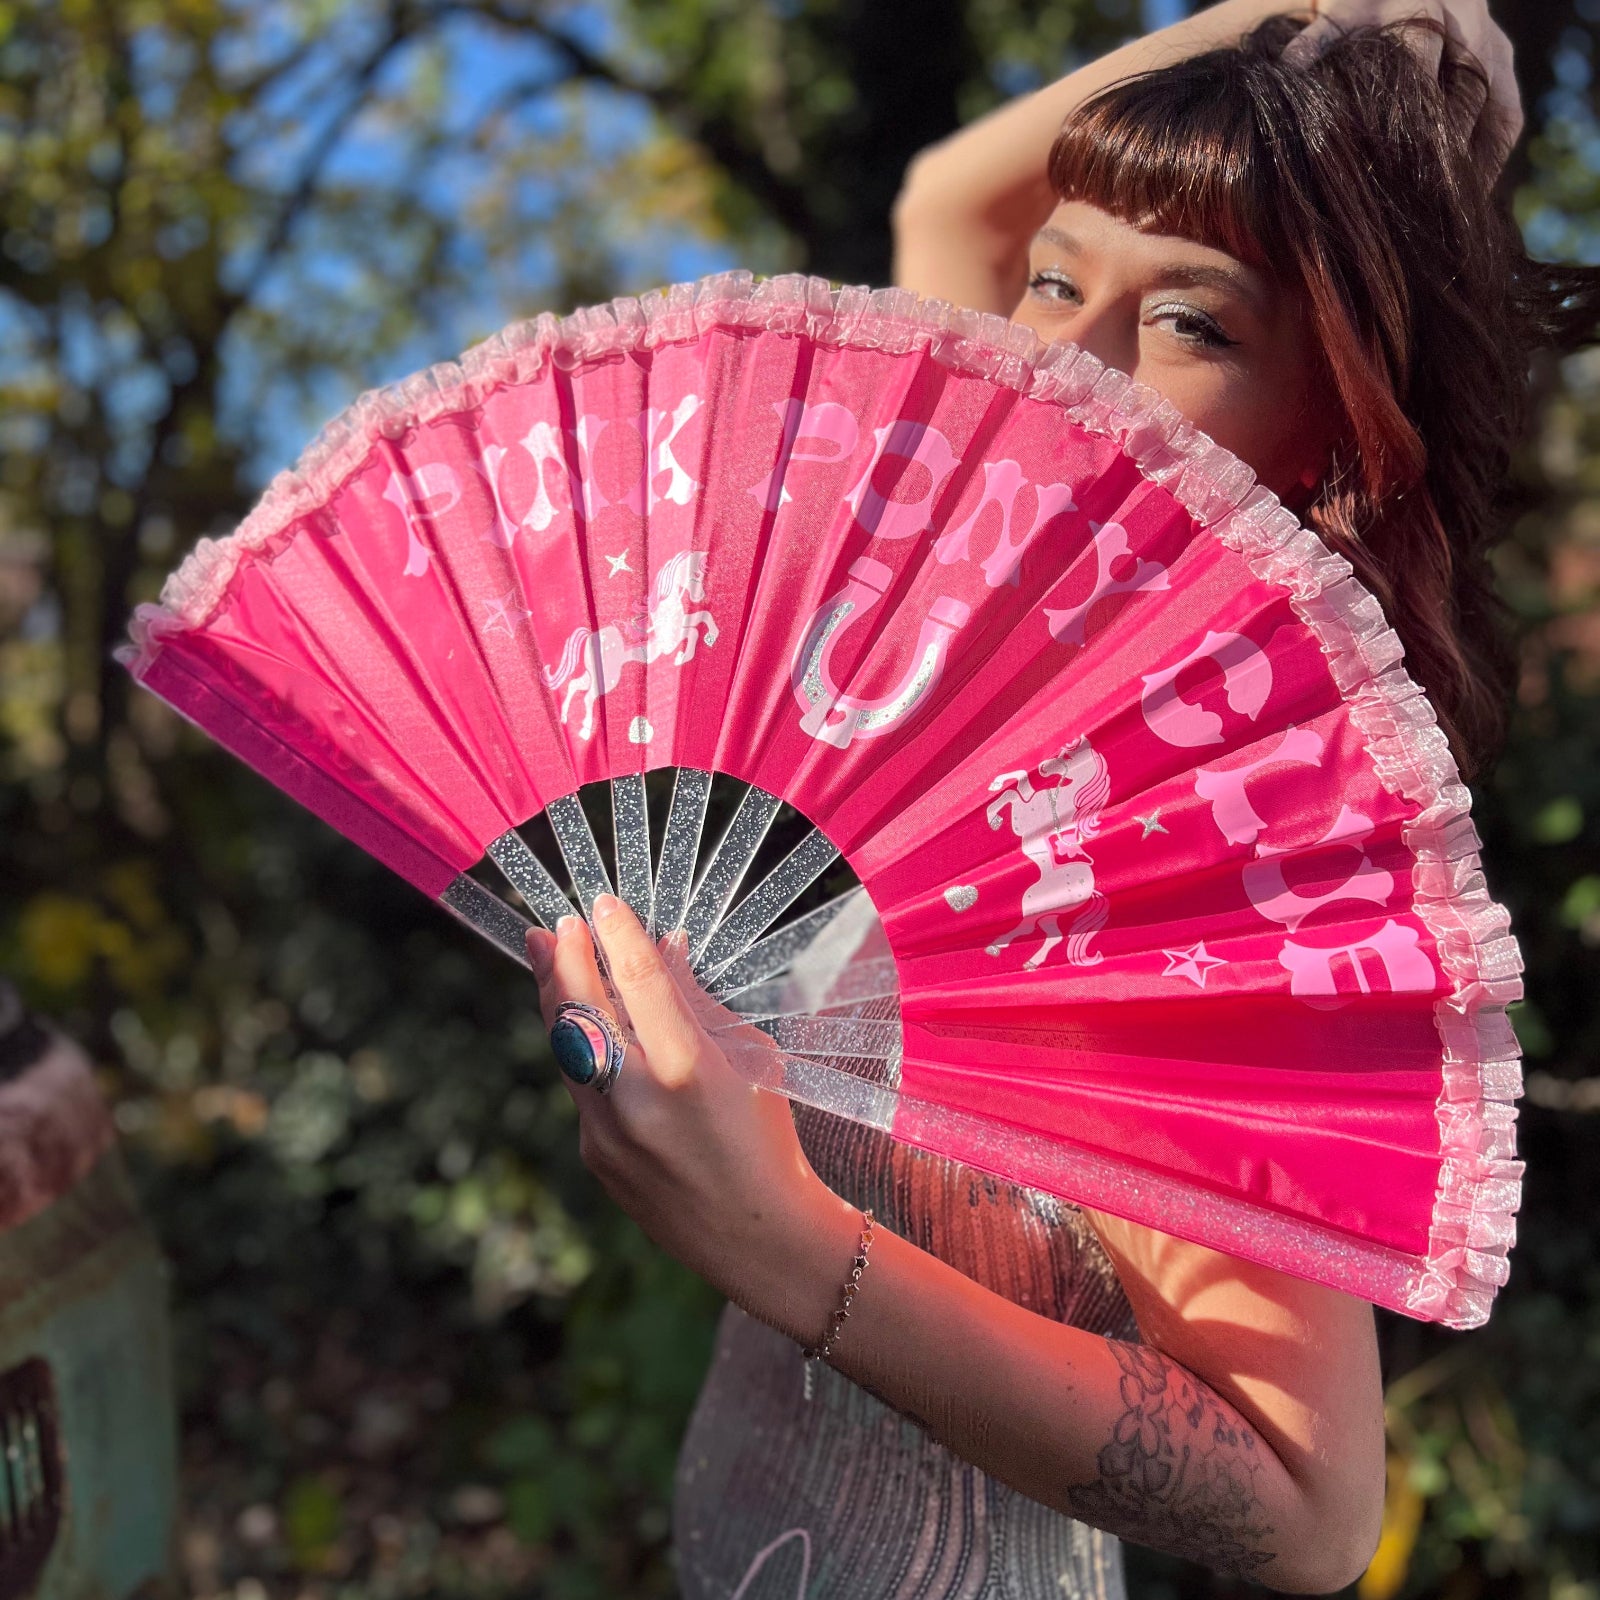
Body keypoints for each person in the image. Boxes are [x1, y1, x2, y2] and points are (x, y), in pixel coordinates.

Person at [523, 2, 1599, 1595]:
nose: (1057, 367)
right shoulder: (978, 700)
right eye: (1056, 282)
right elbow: (956, 201)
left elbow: (1312, 1515)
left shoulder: (1220, 880)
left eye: (1193, 326)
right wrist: (1295, 20)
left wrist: (779, 1244)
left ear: (1328, 457)